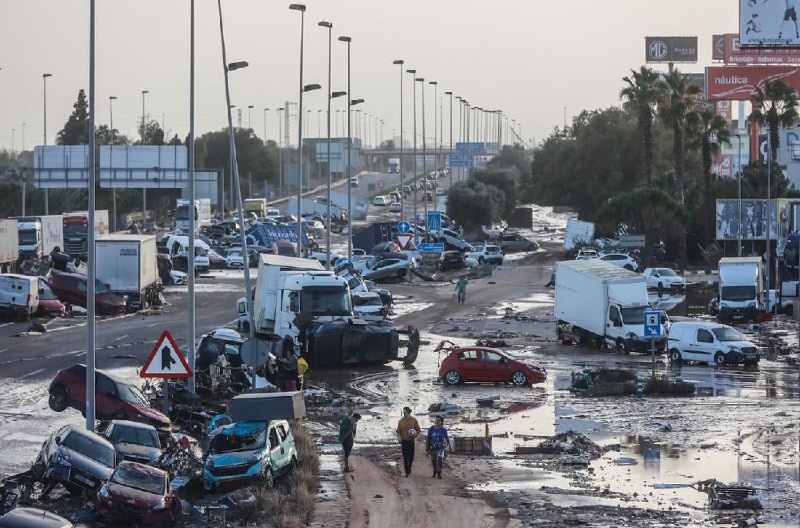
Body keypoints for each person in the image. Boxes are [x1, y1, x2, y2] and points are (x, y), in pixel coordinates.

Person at [396, 407, 421, 477]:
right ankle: (407, 472)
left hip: (411, 441)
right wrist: (400, 439)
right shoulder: (401, 421)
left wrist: (416, 435)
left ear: (409, 412)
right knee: (405, 457)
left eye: (405, 412)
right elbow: (398, 432)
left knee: (411, 457)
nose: (404, 414)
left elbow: (418, 430)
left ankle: (409, 467)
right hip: (404, 441)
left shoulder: (414, 420)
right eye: (403, 412)